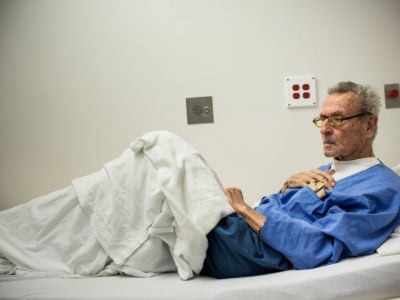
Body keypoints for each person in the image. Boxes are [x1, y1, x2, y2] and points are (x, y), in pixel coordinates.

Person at [0, 81, 399, 280]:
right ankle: (16, 242)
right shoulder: (325, 172)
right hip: (233, 233)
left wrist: (243, 209)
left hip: (243, 249)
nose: (325, 129)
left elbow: (317, 248)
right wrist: (284, 187)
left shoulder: (381, 188)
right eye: (321, 119)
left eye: (337, 119)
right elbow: (293, 212)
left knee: (162, 146)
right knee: (123, 184)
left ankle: (11, 238)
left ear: (369, 124)